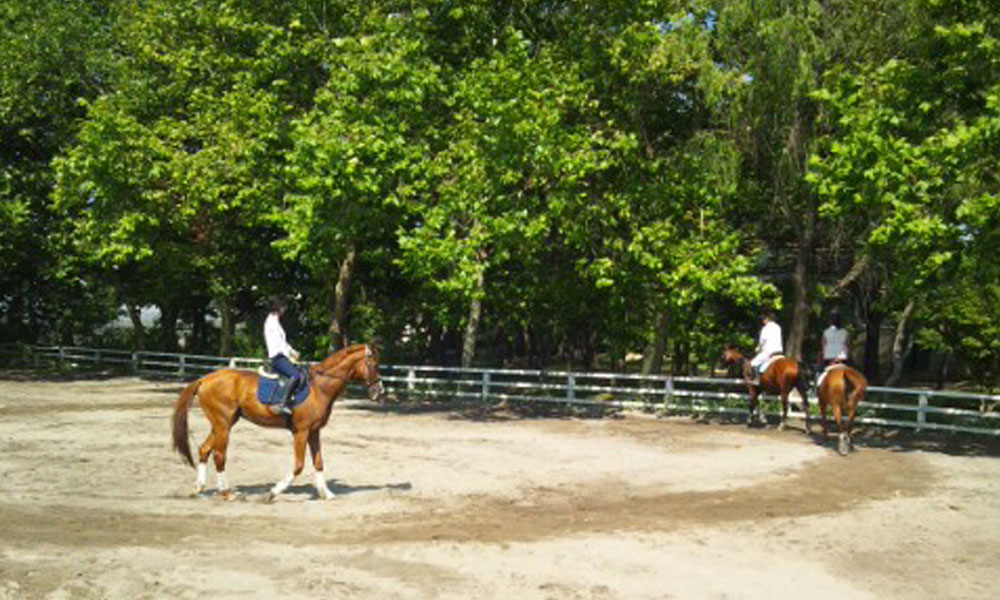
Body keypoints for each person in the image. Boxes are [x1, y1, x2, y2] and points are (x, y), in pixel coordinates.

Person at [264, 296, 301, 416]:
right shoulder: (272, 323)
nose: (284, 310)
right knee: (295, 375)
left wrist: (292, 351)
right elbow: (278, 344)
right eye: (283, 307)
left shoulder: (275, 322)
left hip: (281, 355)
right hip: (277, 357)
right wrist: (289, 356)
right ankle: (281, 403)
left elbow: (283, 342)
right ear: (279, 308)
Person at [749, 311, 783, 382]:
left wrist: (758, 349)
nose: (763, 322)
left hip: (768, 352)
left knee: (752, 363)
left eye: (763, 320)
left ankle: (756, 380)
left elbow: (762, 342)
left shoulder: (765, 328)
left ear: (766, 319)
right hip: (779, 351)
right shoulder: (778, 327)